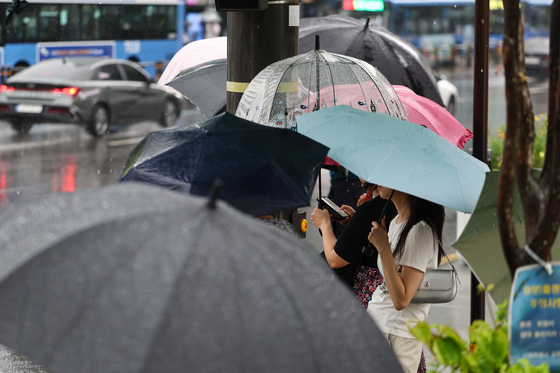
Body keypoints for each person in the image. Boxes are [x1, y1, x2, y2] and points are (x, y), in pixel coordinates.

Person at [311, 181, 428, 373]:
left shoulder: (413, 226)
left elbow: (334, 259)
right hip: (385, 318)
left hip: (387, 321)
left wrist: (325, 225)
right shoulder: (398, 218)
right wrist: (358, 221)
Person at [367, 185, 445, 373]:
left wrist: (384, 247)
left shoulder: (420, 231)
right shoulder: (396, 223)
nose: (377, 182)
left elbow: (401, 299)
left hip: (397, 335)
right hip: (378, 326)